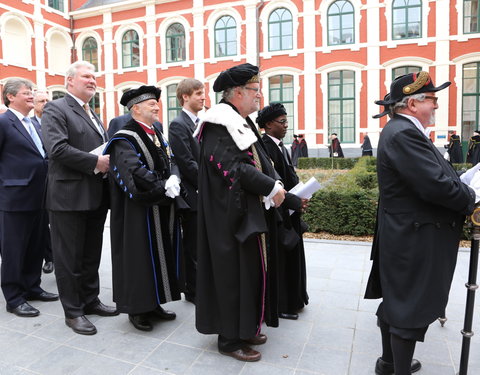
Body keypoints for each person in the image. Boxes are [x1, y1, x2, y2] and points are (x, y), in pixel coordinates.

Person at [365, 71, 476, 375]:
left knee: (397, 302)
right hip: (413, 237)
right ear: (413, 104)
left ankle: (389, 363)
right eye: (432, 99)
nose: (436, 106)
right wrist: (470, 197)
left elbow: (434, 176)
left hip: (407, 234)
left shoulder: (402, 129)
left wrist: (462, 182)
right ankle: (395, 369)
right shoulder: (403, 133)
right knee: (407, 310)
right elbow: (434, 186)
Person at [193, 63, 285, 362]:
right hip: (228, 218)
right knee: (232, 277)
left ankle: (246, 326)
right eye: (254, 91)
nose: (259, 97)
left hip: (245, 212)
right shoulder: (218, 123)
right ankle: (230, 339)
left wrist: (275, 183)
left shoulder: (239, 120)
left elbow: (257, 161)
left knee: (248, 275)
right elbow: (233, 169)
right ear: (236, 93)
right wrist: (270, 187)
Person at [42, 61, 118, 336]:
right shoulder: (56, 108)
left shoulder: (93, 113)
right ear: (69, 81)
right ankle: (73, 312)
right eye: (86, 76)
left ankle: (90, 300)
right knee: (69, 258)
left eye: (94, 77)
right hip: (69, 197)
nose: (92, 80)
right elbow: (57, 149)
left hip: (95, 195)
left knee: (90, 255)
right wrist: (96, 161)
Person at [104, 85, 181, 331]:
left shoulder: (156, 132)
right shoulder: (124, 137)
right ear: (135, 108)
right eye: (151, 104)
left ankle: (155, 302)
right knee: (138, 258)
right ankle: (137, 309)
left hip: (158, 205)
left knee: (158, 255)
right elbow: (133, 171)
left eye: (156, 103)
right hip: (137, 210)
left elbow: (172, 158)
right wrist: (161, 186)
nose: (157, 106)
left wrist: (174, 178)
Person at [0, 78, 58, 318]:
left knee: (35, 245)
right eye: (26, 93)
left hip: (39, 195)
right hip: (13, 198)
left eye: (32, 92)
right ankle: (13, 298)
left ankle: (32, 287)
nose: (31, 96)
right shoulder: (4, 122)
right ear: (11, 96)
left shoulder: (33, 123)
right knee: (14, 250)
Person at [257, 103, 309, 320]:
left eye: (287, 121)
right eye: (282, 122)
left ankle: (295, 298)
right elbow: (273, 182)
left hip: (291, 208)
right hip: (279, 212)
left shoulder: (281, 146)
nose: (286, 126)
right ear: (268, 125)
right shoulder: (266, 146)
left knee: (293, 257)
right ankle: (281, 304)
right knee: (282, 260)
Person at [168, 78, 205, 304]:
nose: (203, 97)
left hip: (204, 194)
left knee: (202, 245)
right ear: (185, 97)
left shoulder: (201, 122)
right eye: (198, 93)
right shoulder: (178, 124)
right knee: (193, 246)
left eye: (203, 93)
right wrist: (209, 184)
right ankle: (193, 291)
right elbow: (186, 162)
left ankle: (202, 285)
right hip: (193, 196)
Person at [31, 91, 54, 274]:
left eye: (48, 100)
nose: (45, 104)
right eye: (41, 101)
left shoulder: (55, 121)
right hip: (38, 181)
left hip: (55, 178)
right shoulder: (29, 125)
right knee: (43, 222)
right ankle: (49, 257)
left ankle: (54, 256)